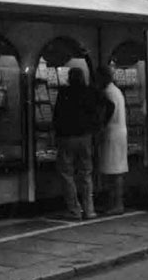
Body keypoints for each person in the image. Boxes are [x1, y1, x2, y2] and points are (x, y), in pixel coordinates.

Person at [52, 67, 101, 220]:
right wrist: (96, 128)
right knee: (86, 173)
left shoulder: (64, 92)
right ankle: (89, 209)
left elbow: (57, 115)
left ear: (69, 78)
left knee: (67, 173)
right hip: (85, 136)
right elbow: (101, 108)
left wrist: (56, 134)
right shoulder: (90, 92)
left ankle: (74, 210)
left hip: (67, 137)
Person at [95, 65, 128, 215]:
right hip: (119, 132)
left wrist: (101, 125)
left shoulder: (108, 92)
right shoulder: (116, 91)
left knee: (113, 171)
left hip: (112, 134)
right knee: (116, 170)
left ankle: (116, 204)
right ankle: (115, 203)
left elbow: (110, 108)